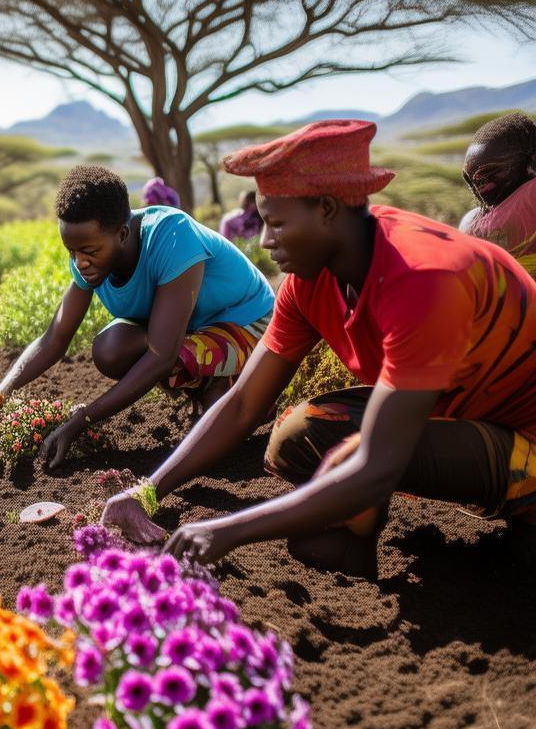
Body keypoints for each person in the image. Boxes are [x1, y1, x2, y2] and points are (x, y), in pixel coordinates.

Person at [102, 120, 536, 577]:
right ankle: (359, 541)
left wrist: (226, 530)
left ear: (327, 209)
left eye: (277, 225)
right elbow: (244, 403)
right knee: (299, 433)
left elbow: (376, 464)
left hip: (523, 436)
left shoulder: (422, 278)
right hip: (460, 418)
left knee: (353, 461)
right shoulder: (310, 281)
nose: (265, 242)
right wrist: (146, 491)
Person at [0, 165, 275, 467]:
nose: (80, 263)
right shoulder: (90, 255)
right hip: (195, 332)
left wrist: (80, 421)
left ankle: (234, 391)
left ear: (123, 234)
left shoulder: (172, 236)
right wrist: (2, 391)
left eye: (88, 251)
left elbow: (162, 355)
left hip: (251, 326)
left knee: (187, 377)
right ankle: (208, 391)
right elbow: (55, 337)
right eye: (72, 252)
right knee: (110, 348)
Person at [459, 112, 536, 274]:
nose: (480, 188)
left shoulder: (470, 224)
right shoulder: (527, 202)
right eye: (472, 180)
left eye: (488, 173)